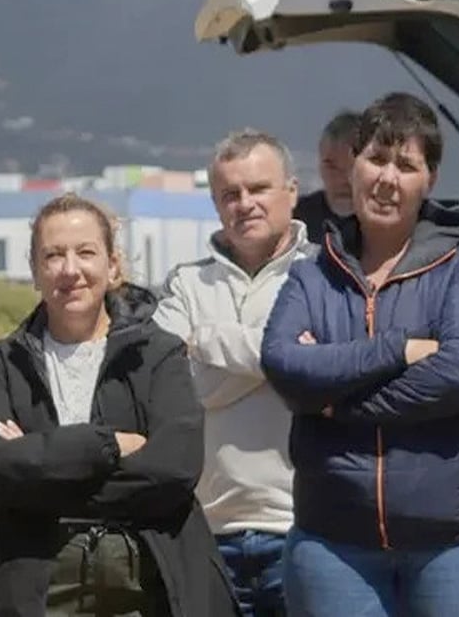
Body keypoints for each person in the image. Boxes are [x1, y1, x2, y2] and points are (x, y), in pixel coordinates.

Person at [262, 92, 459, 617]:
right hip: (334, 543)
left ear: (429, 180)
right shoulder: (312, 272)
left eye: (406, 165)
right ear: (353, 165)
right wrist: (396, 349)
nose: (387, 178)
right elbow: (284, 365)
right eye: (376, 159)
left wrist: (336, 401)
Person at [0, 193, 239, 616]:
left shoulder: (158, 354)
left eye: (85, 252)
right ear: (35, 271)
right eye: (53, 255)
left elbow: (174, 467)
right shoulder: (0, 363)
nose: (70, 270)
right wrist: (104, 446)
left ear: (112, 266)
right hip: (35, 589)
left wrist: (40, 464)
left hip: (149, 587)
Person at [153, 129, 312, 615]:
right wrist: (279, 357)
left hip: (301, 533)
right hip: (207, 536)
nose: (245, 204)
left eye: (259, 188)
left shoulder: (325, 277)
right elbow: (170, 387)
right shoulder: (185, 283)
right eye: (230, 194)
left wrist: (203, 339)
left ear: (291, 191)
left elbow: (321, 373)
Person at [292, 110, 358, 236]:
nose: (342, 179)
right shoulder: (295, 220)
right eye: (331, 167)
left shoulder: (390, 222)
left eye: (352, 168)